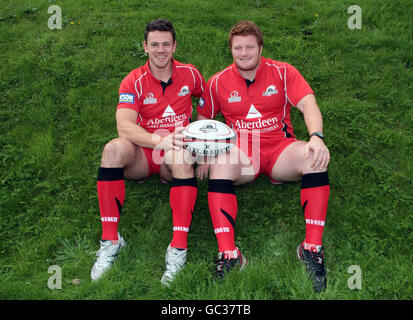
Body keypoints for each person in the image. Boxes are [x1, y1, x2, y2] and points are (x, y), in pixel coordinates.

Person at [196, 20, 330, 292]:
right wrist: (205, 152)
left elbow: (308, 104)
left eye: (249, 47)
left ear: (260, 47)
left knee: (313, 158)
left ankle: (311, 248)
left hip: (280, 149)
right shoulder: (218, 82)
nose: (244, 53)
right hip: (242, 154)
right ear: (230, 50)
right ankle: (230, 255)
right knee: (220, 163)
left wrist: (316, 136)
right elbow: (202, 118)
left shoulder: (283, 72)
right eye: (237, 48)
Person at [91, 19, 205, 286]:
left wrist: (201, 137)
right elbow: (124, 127)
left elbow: (206, 99)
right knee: (111, 150)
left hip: (175, 152)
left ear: (175, 46)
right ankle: (111, 241)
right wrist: (157, 140)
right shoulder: (133, 80)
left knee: (180, 157)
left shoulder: (191, 74)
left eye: (166, 44)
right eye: (154, 44)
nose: (160, 50)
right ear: (145, 47)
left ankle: (178, 248)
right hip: (143, 153)